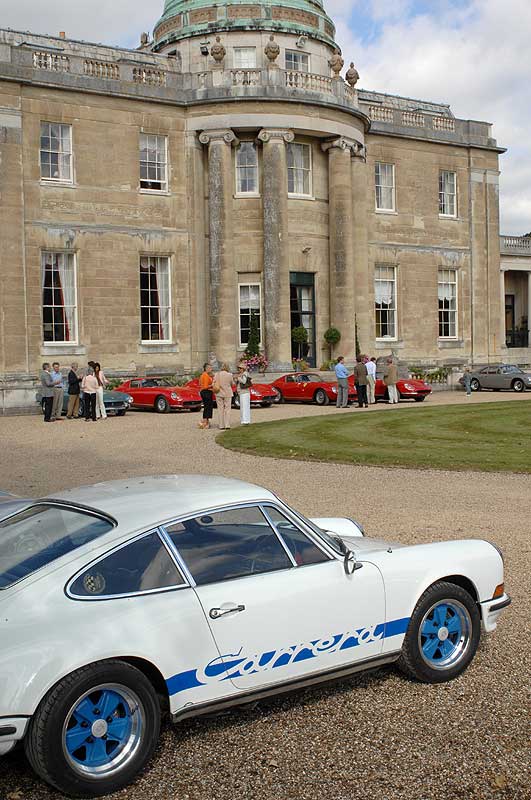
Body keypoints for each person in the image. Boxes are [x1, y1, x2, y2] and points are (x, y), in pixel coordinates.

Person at [213, 363, 233, 430]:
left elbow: (213, 383)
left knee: (220, 409)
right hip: (227, 393)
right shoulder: (230, 375)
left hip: (218, 393)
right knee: (227, 409)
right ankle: (227, 424)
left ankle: (221, 425)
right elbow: (232, 384)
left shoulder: (216, 374)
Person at [198, 363, 214, 429]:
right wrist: (212, 385)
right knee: (207, 406)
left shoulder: (207, 375)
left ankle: (206, 421)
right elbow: (205, 386)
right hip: (206, 392)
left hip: (207, 392)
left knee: (208, 406)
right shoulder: (204, 375)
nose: (211, 369)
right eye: (210, 368)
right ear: (206, 368)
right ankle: (205, 421)